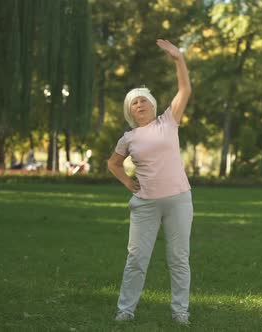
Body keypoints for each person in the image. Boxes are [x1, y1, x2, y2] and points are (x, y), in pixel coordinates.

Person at [108, 39, 193, 325]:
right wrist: (126, 182)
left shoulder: (168, 121)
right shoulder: (128, 138)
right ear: (129, 111)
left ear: (153, 105)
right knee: (136, 260)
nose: (139, 103)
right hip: (145, 205)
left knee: (179, 259)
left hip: (179, 200)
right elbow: (113, 163)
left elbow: (185, 89)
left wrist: (178, 58)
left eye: (143, 99)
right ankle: (125, 310)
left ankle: (180, 312)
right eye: (134, 102)